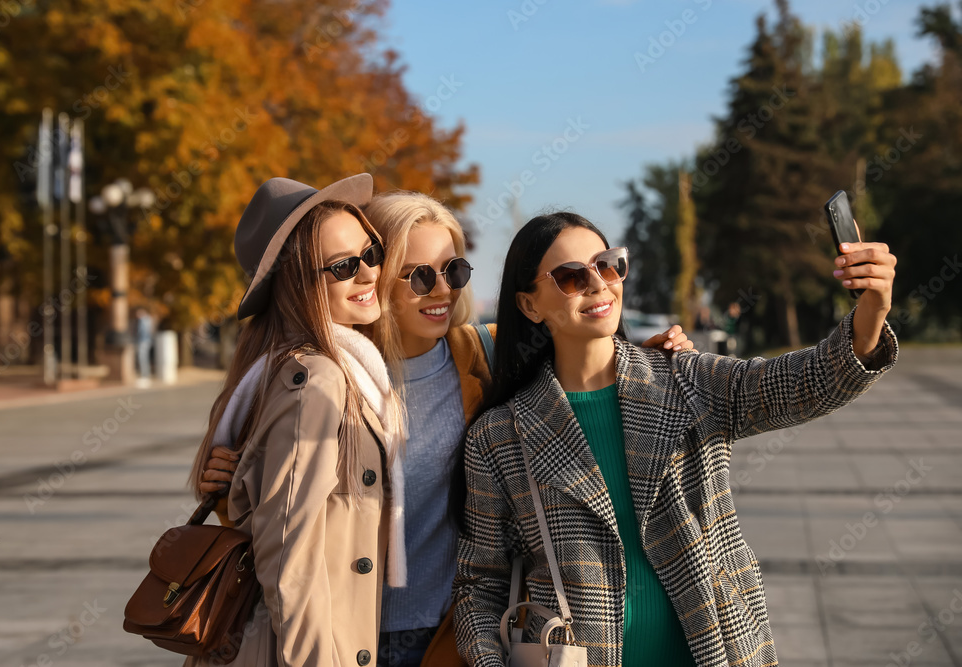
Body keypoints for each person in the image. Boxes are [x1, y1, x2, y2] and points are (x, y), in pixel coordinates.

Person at [201, 194, 694, 667]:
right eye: (418, 276)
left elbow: (584, 350)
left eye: (454, 270)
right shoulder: (322, 378)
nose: (442, 289)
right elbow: (278, 522)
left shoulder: (484, 357)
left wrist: (653, 359)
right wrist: (227, 484)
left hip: (445, 634)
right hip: (341, 633)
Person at [452, 212, 898, 667]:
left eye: (607, 264)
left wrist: (872, 313)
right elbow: (480, 585)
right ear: (530, 305)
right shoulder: (500, 437)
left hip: (719, 651)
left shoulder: (687, 380)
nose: (598, 284)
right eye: (570, 277)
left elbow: (806, 384)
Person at [186, 173, 407, 667]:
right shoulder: (318, 381)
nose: (369, 274)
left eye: (370, 253)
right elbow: (291, 556)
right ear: (297, 281)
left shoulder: (295, 371)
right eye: (343, 266)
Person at [136, 308, 154, 381]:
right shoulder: (149, 320)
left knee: (142, 358)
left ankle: (145, 374)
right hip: (147, 341)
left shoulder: (143, 321)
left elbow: (142, 332)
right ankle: (146, 374)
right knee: (145, 358)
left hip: (143, 341)